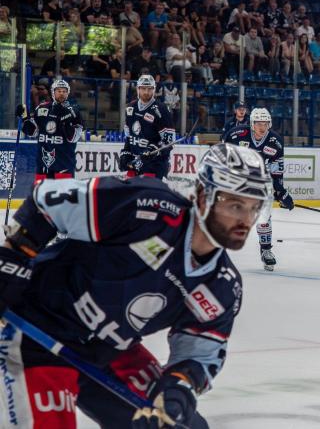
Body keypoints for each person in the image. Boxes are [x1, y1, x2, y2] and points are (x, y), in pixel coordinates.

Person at [0, 143, 271, 428]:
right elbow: (47, 200)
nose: (246, 220)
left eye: (254, 207)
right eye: (235, 205)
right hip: (38, 333)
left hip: (108, 351)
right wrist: (11, 258)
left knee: (181, 425)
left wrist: (175, 394)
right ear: (203, 197)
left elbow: (197, 356)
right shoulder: (147, 206)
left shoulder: (221, 285)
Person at [222, 108, 294, 271]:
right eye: (258, 123)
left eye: (265, 124)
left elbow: (276, 171)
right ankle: (217, 249)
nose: (262, 127)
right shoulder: (236, 135)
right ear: (252, 124)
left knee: (264, 216)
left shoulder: (275, 142)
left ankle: (266, 250)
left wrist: (281, 192)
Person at [17, 79, 84, 184]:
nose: (61, 93)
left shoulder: (74, 112)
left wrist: (66, 122)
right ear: (53, 92)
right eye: (59, 91)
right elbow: (32, 132)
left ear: (68, 93)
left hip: (64, 164)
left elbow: (74, 138)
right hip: (43, 165)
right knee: (41, 192)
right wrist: (25, 118)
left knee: (63, 193)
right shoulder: (41, 108)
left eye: (64, 91)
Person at [119, 74, 176, 179]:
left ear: (154, 90)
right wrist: (126, 153)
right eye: (143, 88)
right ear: (138, 89)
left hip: (154, 166)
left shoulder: (161, 110)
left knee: (147, 190)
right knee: (128, 189)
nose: (146, 92)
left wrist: (154, 149)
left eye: (149, 89)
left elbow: (169, 141)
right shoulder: (131, 108)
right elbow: (129, 137)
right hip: (136, 164)